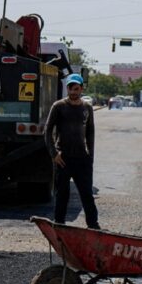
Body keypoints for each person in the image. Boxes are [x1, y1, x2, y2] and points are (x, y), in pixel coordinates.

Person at [44, 73, 99, 229]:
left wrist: (90, 157)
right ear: (67, 88)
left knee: (87, 194)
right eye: (70, 88)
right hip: (63, 158)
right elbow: (47, 132)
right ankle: (59, 225)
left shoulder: (87, 107)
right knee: (62, 194)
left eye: (76, 88)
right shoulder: (59, 106)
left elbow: (90, 133)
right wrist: (54, 154)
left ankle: (93, 225)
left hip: (82, 158)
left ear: (81, 89)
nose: (73, 92)